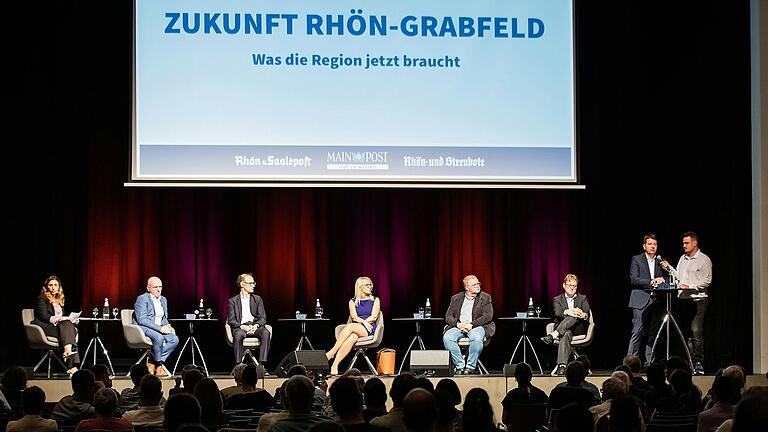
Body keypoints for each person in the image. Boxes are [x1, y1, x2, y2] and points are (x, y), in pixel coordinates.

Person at [662, 231, 712, 375]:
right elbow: (679, 277)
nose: (683, 245)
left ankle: (698, 363)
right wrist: (669, 268)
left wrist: (690, 286)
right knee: (686, 333)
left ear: (694, 243)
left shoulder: (703, 260)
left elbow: (707, 281)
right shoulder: (683, 259)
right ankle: (689, 361)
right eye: (683, 243)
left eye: (686, 243)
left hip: (697, 301)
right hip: (684, 301)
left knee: (696, 330)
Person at [326, 276, 381, 375]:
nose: (370, 287)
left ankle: (332, 352)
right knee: (352, 337)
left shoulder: (375, 300)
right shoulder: (352, 301)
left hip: (369, 328)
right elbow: (354, 317)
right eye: (367, 285)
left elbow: (374, 316)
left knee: (351, 326)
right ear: (360, 287)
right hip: (358, 327)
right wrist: (362, 322)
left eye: (370, 284)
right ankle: (335, 365)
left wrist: (365, 323)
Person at [442, 275, 495, 375]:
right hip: (459, 326)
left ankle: (470, 366)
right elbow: (448, 317)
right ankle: (460, 365)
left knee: (476, 336)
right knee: (447, 337)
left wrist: (471, 325)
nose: (478, 286)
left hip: (477, 326)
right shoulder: (456, 298)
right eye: (474, 284)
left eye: (478, 283)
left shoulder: (485, 297)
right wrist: (458, 325)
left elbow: (488, 316)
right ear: (467, 287)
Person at [541, 274, 591, 376]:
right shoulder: (557, 299)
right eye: (569, 285)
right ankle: (562, 366)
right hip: (563, 328)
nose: (572, 288)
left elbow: (587, 313)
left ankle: (553, 335)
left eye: (574, 285)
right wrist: (568, 311)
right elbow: (558, 313)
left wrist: (582, 314)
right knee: (567, 332)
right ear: (564, 285)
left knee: (575, 315)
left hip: (577, 329)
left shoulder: (582, 298)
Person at [628, 234, 666, 365]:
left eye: (655, 244)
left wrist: (666, 272)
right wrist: (652, 281)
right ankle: (631, 362)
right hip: (640, 298)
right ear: (644, 246)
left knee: (653, 332)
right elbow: (634, 279)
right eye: (650, 244)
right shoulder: (637, 259)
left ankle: (649, 361)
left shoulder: (660, 262)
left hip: (655, 300)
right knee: (637, 330)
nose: (653, 247)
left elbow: (666, 278)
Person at [32, 275, 80, 374]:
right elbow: (44, 316)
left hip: (58, 327)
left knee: (71, 327)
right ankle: (71, 362)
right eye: (51, 285)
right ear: (46, 287)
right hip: (45, 327)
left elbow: (62, 318)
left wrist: (72, 320)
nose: (53, 287)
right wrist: (64, 319)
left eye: (56, 285)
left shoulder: (60, 300)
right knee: (69, 328)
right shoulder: (42, 298)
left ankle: (68, 353)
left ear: (59, 287)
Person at [133, 276, 179, 378]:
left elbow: (163, 318)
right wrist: (160, 329)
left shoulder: (163, 299)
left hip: (159, 328)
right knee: (159, 338)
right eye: (155, 287)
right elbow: (141, 319)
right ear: (148, 288)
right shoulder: (142, 299)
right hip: (143, 328)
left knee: (174, 339)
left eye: (160, 287)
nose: (158, 289)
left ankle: (153, 362)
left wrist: (168, 326)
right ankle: (159, 367)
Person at [226, 273, 271, 367]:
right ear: (242, 284)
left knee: (266, 332)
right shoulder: (232, 301)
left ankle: (261, 365)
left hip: (255, 326)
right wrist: (242, 326)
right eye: (250, 283)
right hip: (241, 327)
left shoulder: (257, 299)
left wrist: (256, 326)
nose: (253, 285)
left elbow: (263, 318)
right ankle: (239, 364)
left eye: (254, 283)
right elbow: (231, 320)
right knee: (238, 334)